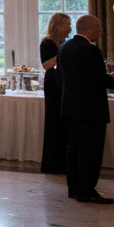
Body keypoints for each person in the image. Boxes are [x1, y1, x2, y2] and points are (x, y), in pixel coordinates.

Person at [58, 15, 114, 204]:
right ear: (91, 28)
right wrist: (113, 78)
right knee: (90, 150)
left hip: (70, 107)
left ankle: (74, 188)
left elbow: (60, 79)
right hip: (91, 109)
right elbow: (99, 80)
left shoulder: (63, 48)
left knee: (73, 147)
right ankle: (86, 191)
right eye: (98, 28)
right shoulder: (91, 50)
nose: (100, 31)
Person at [40, 12, 72, 174]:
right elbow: (46, 65)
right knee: (54, 122)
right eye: (67, 25)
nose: (69, 28)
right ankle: (53, 164)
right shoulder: (47, 43)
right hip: (53, 85)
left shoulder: (66, 43)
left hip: (65, 83)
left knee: (65, 122)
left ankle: (65, 163)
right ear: (58, 26)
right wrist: (62, 53)